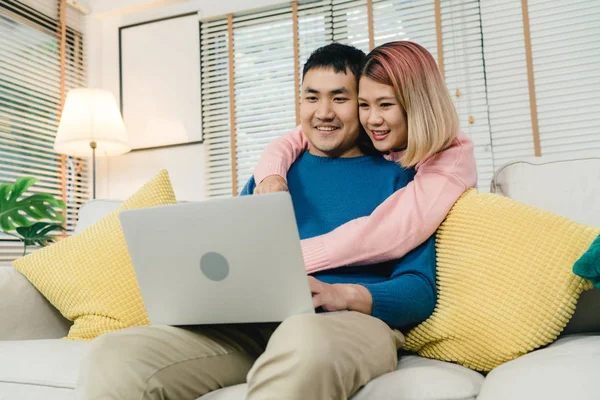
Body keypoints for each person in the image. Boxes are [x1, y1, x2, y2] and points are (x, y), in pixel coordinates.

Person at [75, 43, 436, 400]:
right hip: (250, 328)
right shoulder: (270, 177)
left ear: (361, 106)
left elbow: (419, 290)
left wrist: (341, 294)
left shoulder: (400, 178)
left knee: (303, 342)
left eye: (339, 99)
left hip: (342, 325)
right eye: (312, 98)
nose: (323, 112)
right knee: (115, 356)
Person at [253, 40, 477, 275]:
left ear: (417, 106)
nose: (372, 119)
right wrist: (271, 176)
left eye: (385, 104)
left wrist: (293, 260)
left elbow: (391, 232)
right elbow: (292, 139)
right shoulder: (377, 132)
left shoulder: (451, 159)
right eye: (363, 105)